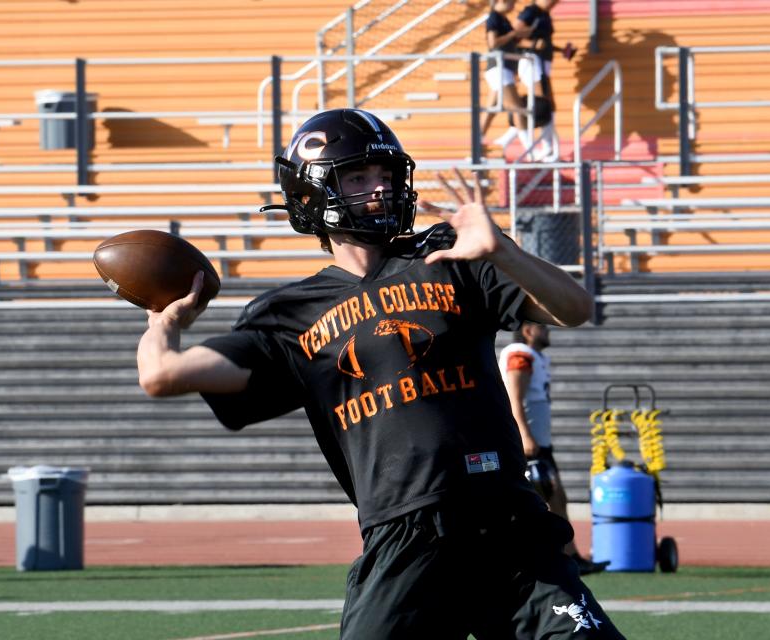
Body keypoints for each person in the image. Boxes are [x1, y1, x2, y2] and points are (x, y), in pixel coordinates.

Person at [136, 108, 625, 638]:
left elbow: (575, 308)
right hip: (405, 536)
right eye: (358, 177)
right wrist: (165, 321)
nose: (380, 189)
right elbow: (162, 375)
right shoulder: (289, 315)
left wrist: (503, 251)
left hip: (507, 523)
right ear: (312, 194)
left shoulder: (447, 254)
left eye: (386, 175)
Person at [499, 320, 609, 576]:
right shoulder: (520, 354)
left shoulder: (534, 356)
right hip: (526, 445)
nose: (548, 331)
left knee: (557, 498)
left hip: (538, 444)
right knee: (547, 498)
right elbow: (515, 399)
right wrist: (525, 436)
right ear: (528, 330)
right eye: (543, 327)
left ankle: (569, 556)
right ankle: (553, 557)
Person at [514, 0, 576, 160]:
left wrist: (561, 50)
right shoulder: (531, 11)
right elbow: (515, 33)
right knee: (542, 103)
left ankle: (548, 146)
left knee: (547, 103)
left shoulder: (544, 14)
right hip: (531, 60)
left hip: (543, 61)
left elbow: (544, 42)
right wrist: (533, 43)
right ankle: (539, 148)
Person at [480, 0, 533, 148]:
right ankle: (530, 150)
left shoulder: (502, 19)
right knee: (517, 108)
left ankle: (476, 143)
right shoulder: (494, 17)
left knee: (491, 109)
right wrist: (512, 34)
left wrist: (518, 35)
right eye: (512, 2)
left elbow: (510, 40)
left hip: (504, 68)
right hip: (499, 68)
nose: (513, 6)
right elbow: (493, 43)